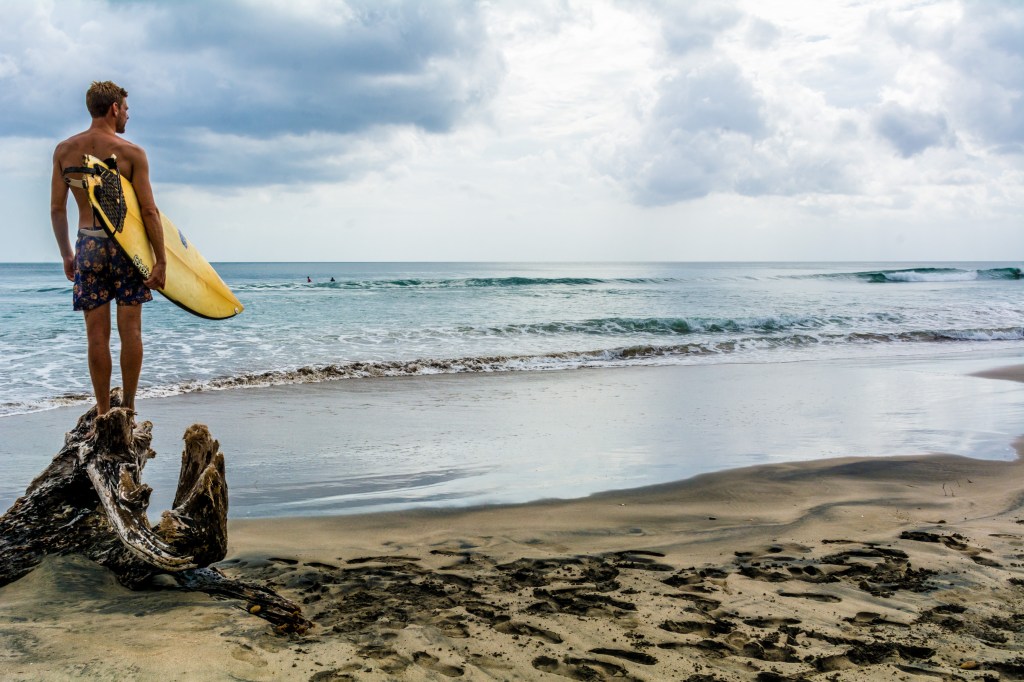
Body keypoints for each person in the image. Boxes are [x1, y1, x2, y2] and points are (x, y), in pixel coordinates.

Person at [50, 81, 166, 417]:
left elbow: (57, 209)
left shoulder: (64, 151)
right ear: (114, 108)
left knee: (96, 338)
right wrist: (161, 261)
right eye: (126, 109)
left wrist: (66, 255)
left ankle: (103, 412)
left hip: (87, 243)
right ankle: (127, 408)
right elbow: (148, 211)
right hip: (125, 247)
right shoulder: (131, 153)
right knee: (130, 332)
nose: (128, 115)